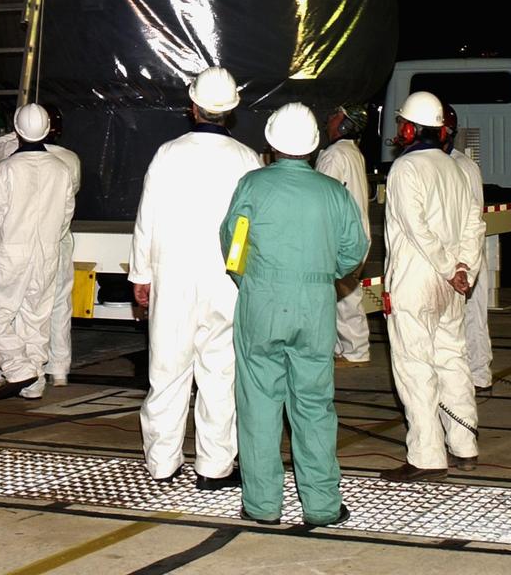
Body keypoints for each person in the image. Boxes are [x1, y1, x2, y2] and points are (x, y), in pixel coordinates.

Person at [221, 102, 368, 527]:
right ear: (313, 145)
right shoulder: (333, 193)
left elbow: (234, 246)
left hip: (262, 302)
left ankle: (263, 504)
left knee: (258, 405)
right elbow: (353, 253)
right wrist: (321, 275)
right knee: (314, 405)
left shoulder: (252, 186)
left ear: (270, 142)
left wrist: (252, 280)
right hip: (315, 306)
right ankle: (322, 505)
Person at [128, 66, 260, 488]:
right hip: (226, 282)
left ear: (194, 107)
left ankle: (163, 464)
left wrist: (140, 275)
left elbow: (146, 218)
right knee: (220, 374)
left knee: (167, 373)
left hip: (174, 283)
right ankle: (215, 468)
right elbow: (248, 229)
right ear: (231, 110)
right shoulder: (248, 159)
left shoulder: (168, 153)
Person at [381, 91, 486, 482]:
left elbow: (416, 228)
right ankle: (465, 444)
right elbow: (475, 224)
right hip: (452, 284)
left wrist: (447, 268)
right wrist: (464, 270)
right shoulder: (457, 169)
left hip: (418, 279)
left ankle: (427, 455)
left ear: (409, 128)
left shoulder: (406, 170)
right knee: (452, 358)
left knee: (415, 365)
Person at [0, 103, 75, 401]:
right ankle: (34, 383)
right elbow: (66, 214)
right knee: (35, 317)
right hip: (46, 251)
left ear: (17, 131)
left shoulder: (6, 168)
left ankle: (18, 369)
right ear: (47, 130)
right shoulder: (62, 169)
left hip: (11, 250)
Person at [315, 104, 371, 365]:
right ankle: (348, 348)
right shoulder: (353, 153)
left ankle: (354, 351)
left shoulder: (335, 155)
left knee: (344, 297)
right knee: (346, 295)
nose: (329, 119)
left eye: (335, 116)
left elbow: (321, 195)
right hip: (355, 234)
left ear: (346, 124)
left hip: (340, 237)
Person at [442, 104, 492, 391]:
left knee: (470, 315)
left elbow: (467, 217)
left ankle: (477, 373)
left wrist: (461, 263)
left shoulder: (459, 166)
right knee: (467, 317)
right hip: (462, 253)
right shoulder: (454, 163)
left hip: (463, 253)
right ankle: (474, 372)